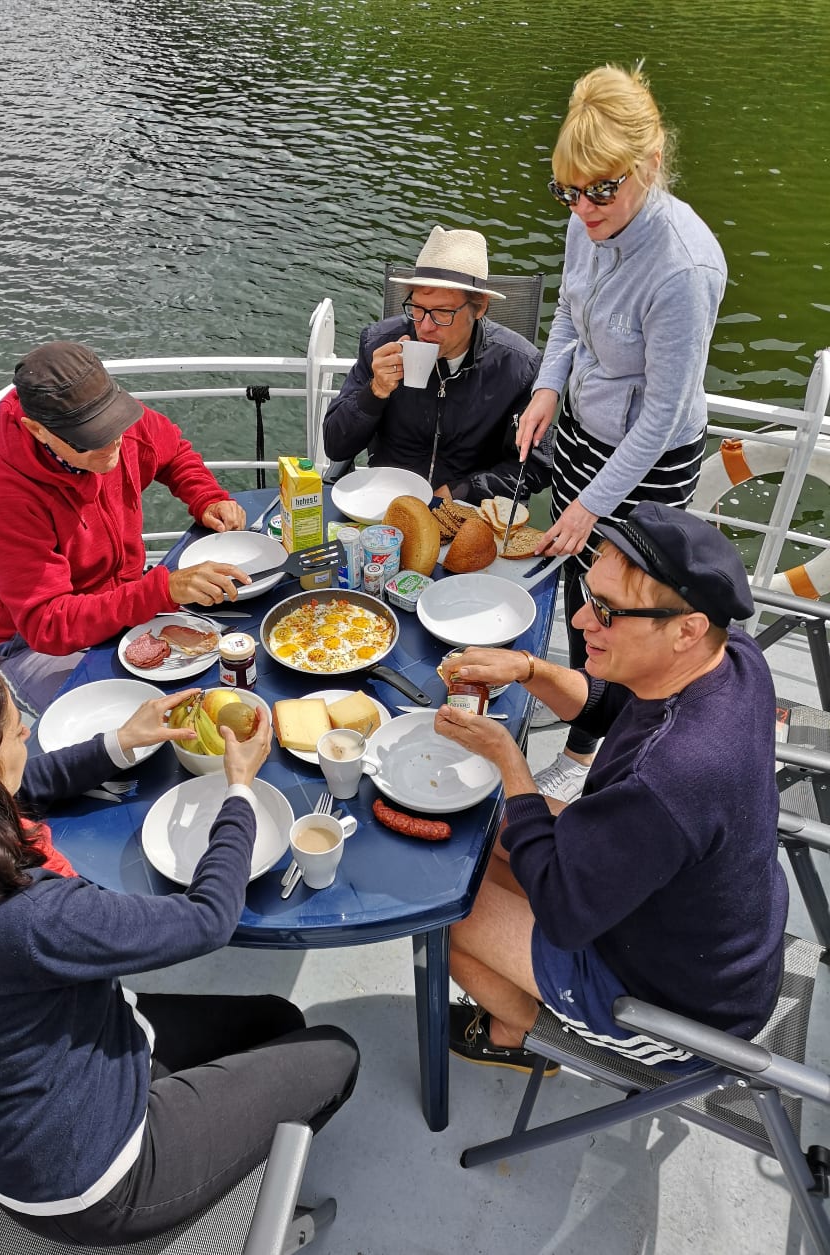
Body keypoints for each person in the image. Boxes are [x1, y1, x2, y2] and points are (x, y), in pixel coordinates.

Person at [0, 655, 359, 1246]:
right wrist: (239, 794)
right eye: (14, 731)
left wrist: (121, 742)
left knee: (278, 1020)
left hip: (41, 1105)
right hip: (98, 1180)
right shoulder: (34, 916)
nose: (28, 732)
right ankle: (244, 1209)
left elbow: (25, 783)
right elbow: (208, 919)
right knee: (336, 1052)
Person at [435, 503, 786, 1074]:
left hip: (682, 1012)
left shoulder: (669, 777)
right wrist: (527, 669)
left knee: (441, 913)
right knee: (477, 833)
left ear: (685, 630)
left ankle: (509, 1033)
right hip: (698, 929)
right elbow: (612, 703)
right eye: (587, 598)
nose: (580, 622)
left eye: (606, 611)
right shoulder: (733, 655)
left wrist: (508, 757)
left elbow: (564, 913)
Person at [517, 64, 728, 804]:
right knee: (583, 594)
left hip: (650, 461)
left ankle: (608, 750)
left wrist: (588, 508)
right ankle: (585, 732)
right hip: (583, 430)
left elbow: (663, 417)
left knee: (627, 609)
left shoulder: (682, 270)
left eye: (601, 189)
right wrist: (548, 386)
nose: (582, 208)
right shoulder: (588, 219)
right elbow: (571, 315)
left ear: (650, 164)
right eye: (569, 191)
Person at [0, 340, 251, 714]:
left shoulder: (112, 423)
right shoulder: (0, 492)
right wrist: (159, 591)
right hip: (27, 645)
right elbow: (46, 623)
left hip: (122, 606)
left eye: (114, 423)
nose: (113, 442)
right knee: (130, 727)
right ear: (36, 430)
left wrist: (207, 497)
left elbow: (173, 452)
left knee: (224, 668)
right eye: (90, 437)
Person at [322, 225, 549, 502]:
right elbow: (335, 446)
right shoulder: (379, 343)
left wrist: (464, 491)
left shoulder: (519, 366)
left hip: (466, 513)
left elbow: (536, 465)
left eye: (442, 313)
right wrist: (375, 392)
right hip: (386, 502)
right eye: (417, 309)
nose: (425, 327)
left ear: (480, 308)